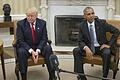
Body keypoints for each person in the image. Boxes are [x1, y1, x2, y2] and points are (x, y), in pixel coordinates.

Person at [73, 7, 119, 80]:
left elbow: (116, 31)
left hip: (100, 47)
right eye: (88, 14)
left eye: (92, 13)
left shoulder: (101, 23)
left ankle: (104, 77)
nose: (91, 15)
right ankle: (82, 77)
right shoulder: (82, 26)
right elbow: (80, 41)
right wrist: (86, 48)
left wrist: (109, 44)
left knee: (107, 52)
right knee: (76, 51)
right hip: (89, 47)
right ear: (84, 16)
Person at [16, 7, 56, 80]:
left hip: (39, 45)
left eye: (32, 16)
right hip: (27, 47)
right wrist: (31, 51)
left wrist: (37, 50)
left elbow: (44, 38)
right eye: (28, 16)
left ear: (36, 15)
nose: (30, 18)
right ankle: (23, 77)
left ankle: (52, 75)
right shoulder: (21, 24)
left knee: (48, 48)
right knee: (21, 52)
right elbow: (20, 40)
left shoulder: (42, 23)